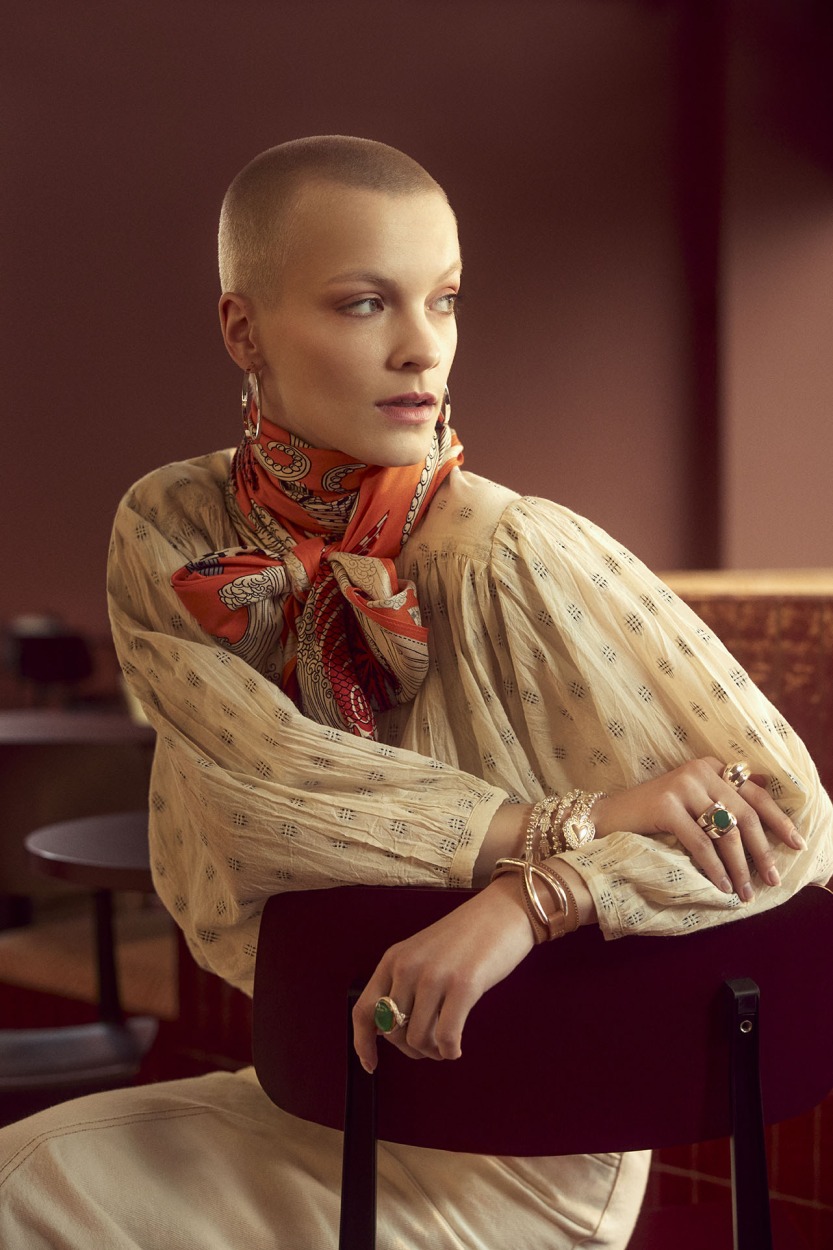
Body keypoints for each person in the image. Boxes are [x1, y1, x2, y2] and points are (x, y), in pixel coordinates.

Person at [0, 136, 830, 1249]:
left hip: (529, 1139)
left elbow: (795, 822)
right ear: (242, 330)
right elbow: (271, 791)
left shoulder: (509, 550)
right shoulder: (177, 530)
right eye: (363, 303)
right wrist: (577, 819)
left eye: (443, 301)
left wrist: (530, 899)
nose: (420, 347)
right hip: (327, 1090)